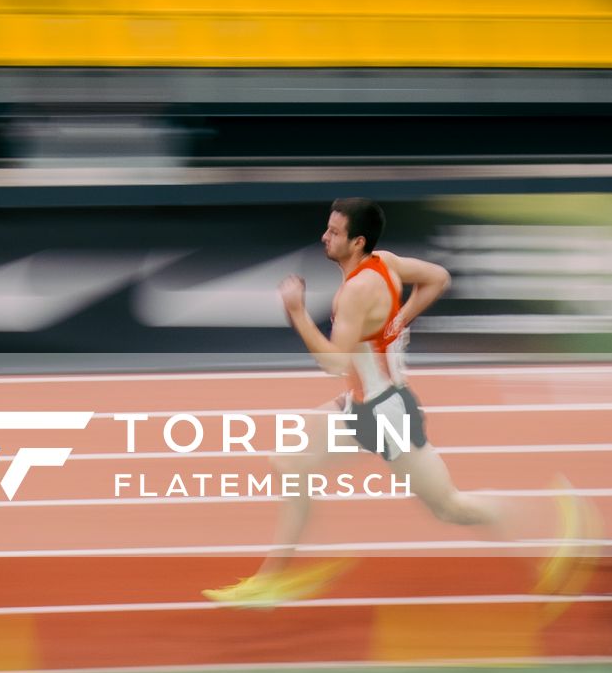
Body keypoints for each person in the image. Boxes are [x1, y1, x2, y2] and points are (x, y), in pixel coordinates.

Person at [204, 196, 591, 608]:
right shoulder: (384, 262)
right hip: (362, 403)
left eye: (334, 232)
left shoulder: (355, 293)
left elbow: (333, 362)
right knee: (288, 462)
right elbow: (438, 277)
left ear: (357, 242)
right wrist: (401, 318)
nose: (325, 236)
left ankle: (551, 525)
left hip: (385, 412)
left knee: (450, 507)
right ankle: (274, 579)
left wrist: (297, 312)